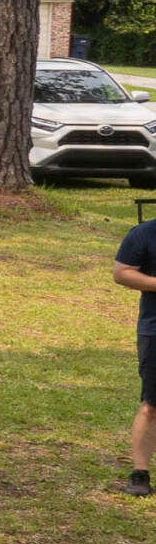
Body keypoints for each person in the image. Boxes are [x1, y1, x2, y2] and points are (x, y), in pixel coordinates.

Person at [122, 208, 156, 496]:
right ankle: (140, 474)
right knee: (152, 405)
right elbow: (122, 273)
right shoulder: (144, 233)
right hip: (154, 331)